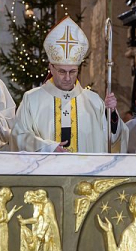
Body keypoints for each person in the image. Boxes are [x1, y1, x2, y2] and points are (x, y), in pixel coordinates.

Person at [11, 16, 128, 153]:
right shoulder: (31, 99)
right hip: (47, 171)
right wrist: (48, 148)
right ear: (51, 68)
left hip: (85, 172)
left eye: (72, 71)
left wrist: (112, 113)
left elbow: (113, 138)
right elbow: (19, 135)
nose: (67, 77)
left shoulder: (94, 101)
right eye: (62, 71)